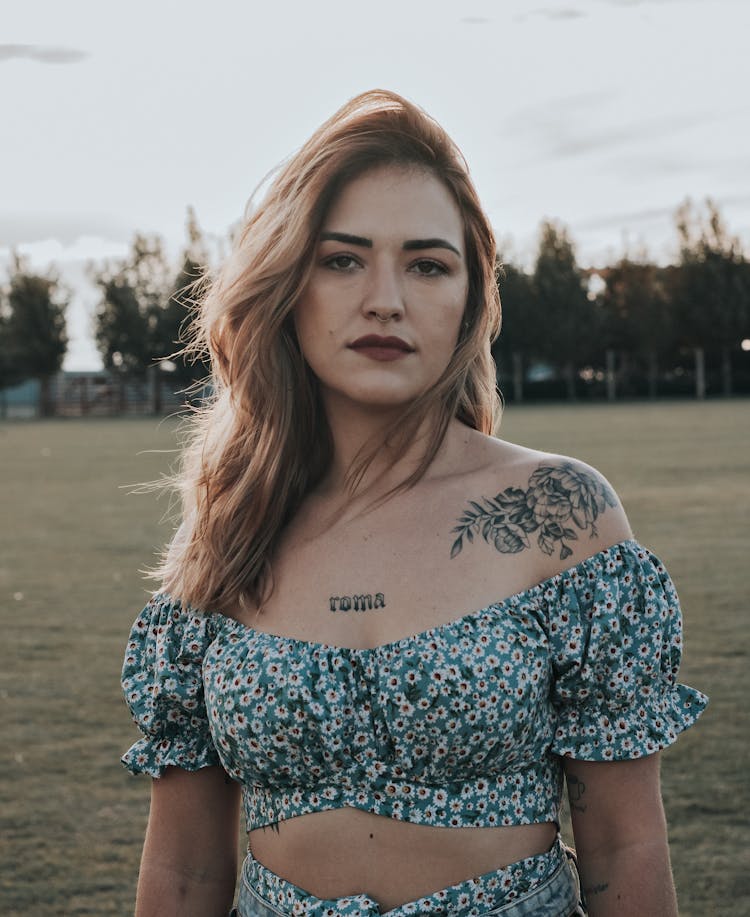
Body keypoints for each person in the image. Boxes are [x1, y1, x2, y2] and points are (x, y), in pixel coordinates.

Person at [121, 89, 707, 917]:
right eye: (342, 258)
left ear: (470, 297)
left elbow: (624, 844)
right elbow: (184, 872)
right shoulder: (231, 527)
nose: (385, 298)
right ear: (289, 286)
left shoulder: (559, 513)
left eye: (428, 263)